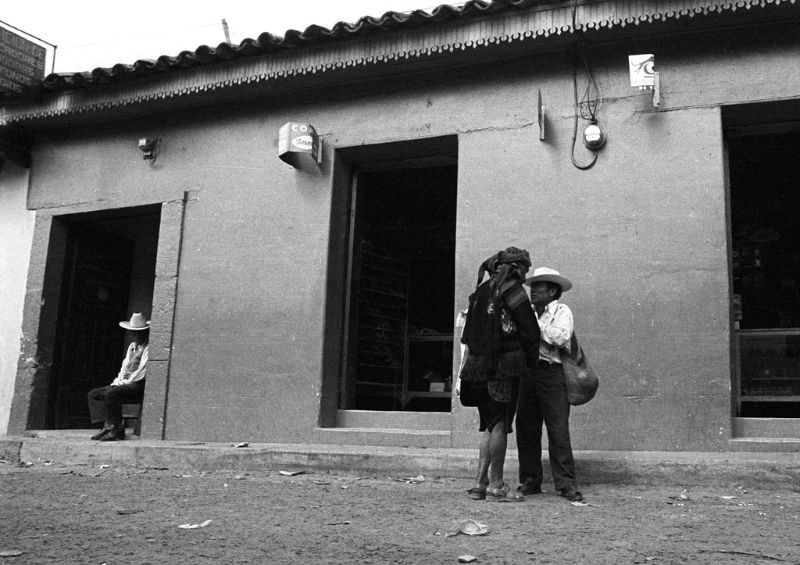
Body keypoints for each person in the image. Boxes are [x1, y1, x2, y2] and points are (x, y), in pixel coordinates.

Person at [459, 247, 541, 502]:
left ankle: (479, 484)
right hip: (504, 369)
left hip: (476, 369)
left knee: (486, 425)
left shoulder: (480, 293)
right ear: (517, 268)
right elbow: (531, 331)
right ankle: (496, 484)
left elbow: (467, 335)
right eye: (525, 269)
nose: (526, 275)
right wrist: (529, 361)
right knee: (500, 425)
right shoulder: (513, 292)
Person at [515, 267, 583, 502]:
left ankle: (565, 483)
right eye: (532, 287)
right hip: (528, 373)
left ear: (552, 290)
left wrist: (534, 327)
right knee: (526, 429)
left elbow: (561, 337)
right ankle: (530, 480)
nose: (533, 292)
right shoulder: (527, 312)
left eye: (538, 287)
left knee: (558, 429)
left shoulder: (562, 311)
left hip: (552, 374)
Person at [87, 313, 150, 441]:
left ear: (144, 333)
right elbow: (125, 367)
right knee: (95, 394)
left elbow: (141, 371)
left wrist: (125, 383)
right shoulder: (132, 348)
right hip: (125, 383)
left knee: (112, 393)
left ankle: (116, 430)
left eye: (138, 333)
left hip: (137, 384)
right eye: (133, 332)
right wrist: (118, 381)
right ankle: (108, 426)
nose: (135, 335)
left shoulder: (147, 347)